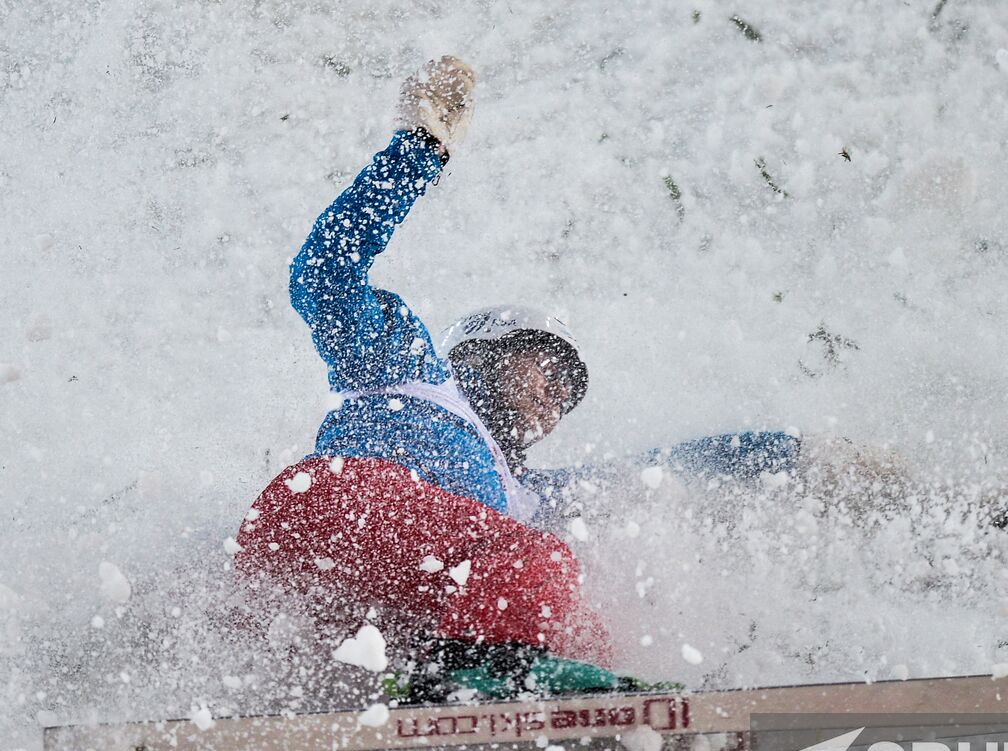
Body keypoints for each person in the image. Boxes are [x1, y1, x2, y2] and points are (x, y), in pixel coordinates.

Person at [234, 56, 903, 701]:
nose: (554, 398)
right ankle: (477, 681)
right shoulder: (405, 365)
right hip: (325, 518)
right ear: (484, 352)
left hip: (365, 608)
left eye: (567, 392)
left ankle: (506, 702)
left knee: (582, 621)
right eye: (546, 368)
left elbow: (667, 473)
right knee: (540, 563)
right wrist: (419, 150)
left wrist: (800, 454)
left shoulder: (523, 495)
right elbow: (324, 273)